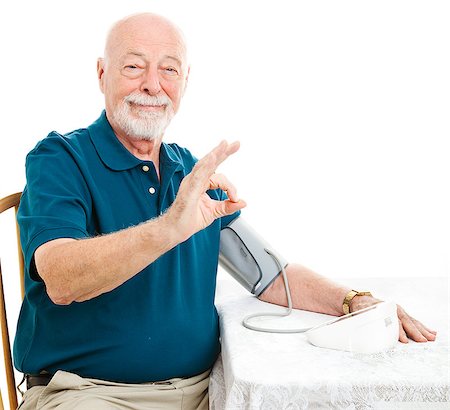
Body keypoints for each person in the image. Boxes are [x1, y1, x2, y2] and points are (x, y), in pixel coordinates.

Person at [14, 12, 436, 410]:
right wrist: (168, 228)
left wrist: (354, 300)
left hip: (206, 391)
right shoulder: (60, 158)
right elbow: (62, 280)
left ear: (185, 81)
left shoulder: (190, 170)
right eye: (133, 67)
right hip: (91, 394)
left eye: (169, 69)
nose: (152, 85)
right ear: (102, 73)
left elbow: (270, 275)